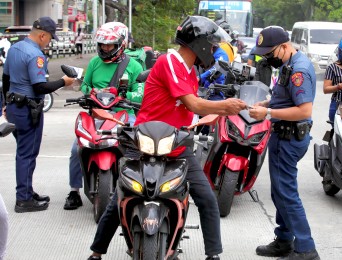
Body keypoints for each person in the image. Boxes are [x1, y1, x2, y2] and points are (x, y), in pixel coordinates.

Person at [87, 15, 247, 260]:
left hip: (176, 143)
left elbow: (185, 110)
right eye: (212, 45)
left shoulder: (190, 72)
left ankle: (213, 255)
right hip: (144, 141)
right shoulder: (170, 62)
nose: (214, 51)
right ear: (199, 43)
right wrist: (224, 107)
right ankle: (97, 253)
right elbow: (193, 104)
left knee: (206, 198)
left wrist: (209, 114)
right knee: (121, 195)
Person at [248, 26, 320, 260]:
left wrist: (268, 114)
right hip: (283, 135)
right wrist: (267, 104)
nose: (268, 58)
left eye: (270, 53)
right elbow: (283, 98)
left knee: (286, 194)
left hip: (290, 136)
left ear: (285, 46)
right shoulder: (289, 64)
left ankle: (306, 248)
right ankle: (284, 240)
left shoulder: (299, 70)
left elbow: (304, 110)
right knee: (279, 191)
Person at [63, 22, 144, 210]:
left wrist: (122, 95)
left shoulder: (134, 67)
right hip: (96, 114)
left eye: (110, 45)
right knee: (76, 149)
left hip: (124, 114)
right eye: (102, 45)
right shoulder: (94, 63)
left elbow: (140, 93)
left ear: (121, 45)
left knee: (136, 149)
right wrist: (92, 91)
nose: (105, 49)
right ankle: (74, 191)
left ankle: (137, 188)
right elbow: (84, 85)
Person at [2, 17, 75, 213]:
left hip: (14, 107)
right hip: (28, 109)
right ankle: (23, 199)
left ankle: (27, 191)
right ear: (42, 35)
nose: (49, 42)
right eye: (50, 38)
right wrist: (63, 82)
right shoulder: (36, 55)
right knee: (27, 154)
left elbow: (5, 78)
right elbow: (40, 86)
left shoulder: (15, 48)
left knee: (23, 151)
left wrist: (5, 104)